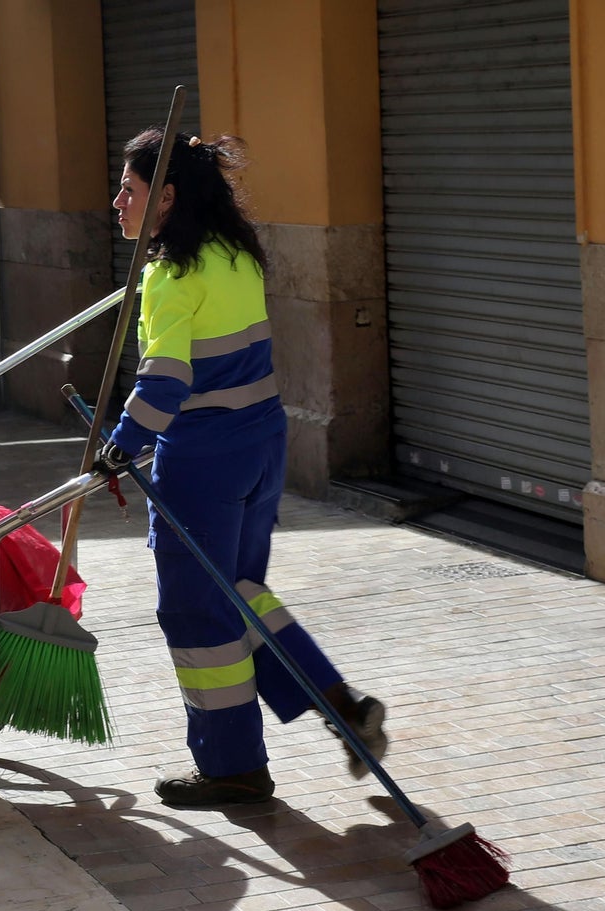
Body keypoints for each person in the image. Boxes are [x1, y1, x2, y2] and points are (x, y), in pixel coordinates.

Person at [95, 127, 389, 808]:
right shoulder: (235, 255)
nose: (117, 202)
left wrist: (120, 442)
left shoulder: (169, 273)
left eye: (130, 190)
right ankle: (343, 706)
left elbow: (165, 381)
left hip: (202, 460)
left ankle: (233, 767)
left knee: (198, 613)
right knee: (240, 590)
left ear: (165, 197)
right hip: (261, 443)